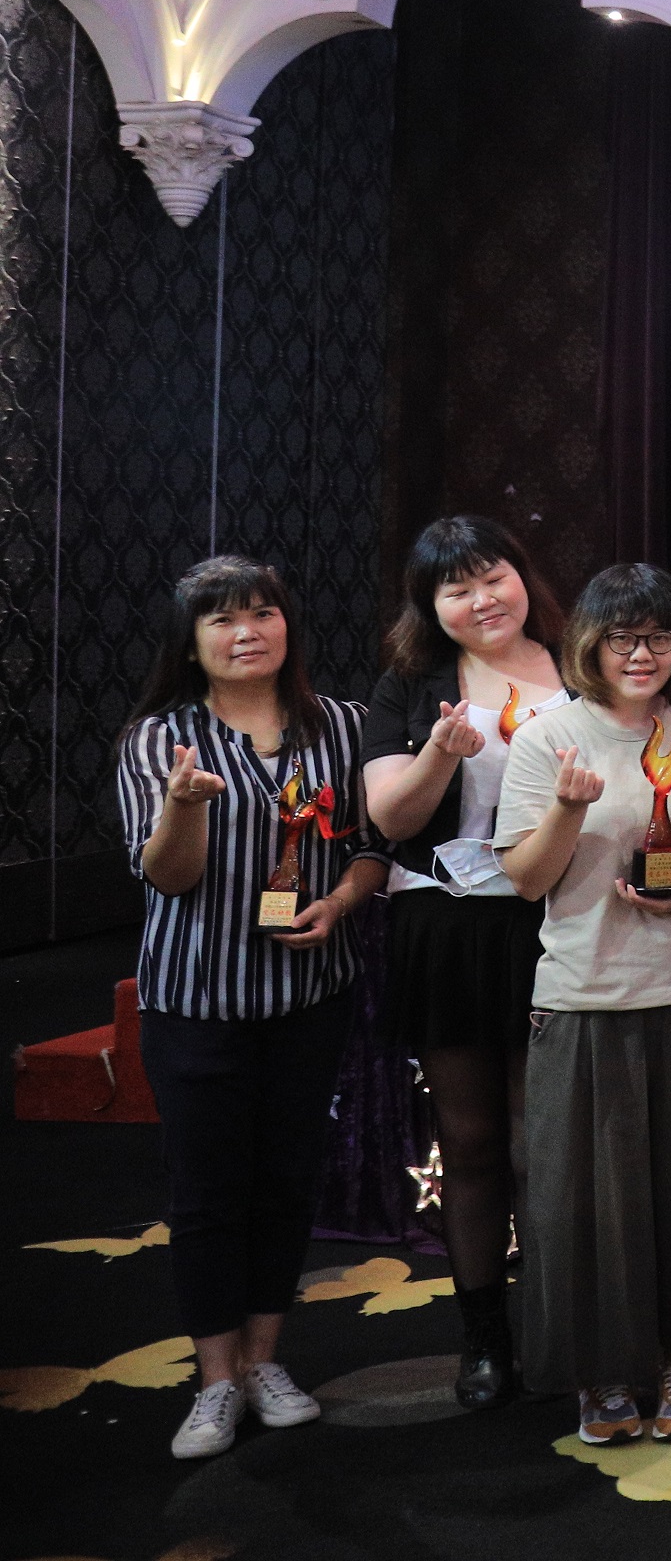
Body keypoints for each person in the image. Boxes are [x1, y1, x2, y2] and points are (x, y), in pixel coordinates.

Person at [495, 565, 671, 1448]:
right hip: (587, 998)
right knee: (590, 1203)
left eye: (658, 637)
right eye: (622, 638)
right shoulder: (549, 737)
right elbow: (526, 880)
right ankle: (604, 1371)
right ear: (591, 644)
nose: (641, 654)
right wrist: (566, 812)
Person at [119, 557, 382, 1462]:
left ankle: (266, 1360)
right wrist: (183, 808)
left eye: (263, 613)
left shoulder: (341, 726)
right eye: (223, 620)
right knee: (206, 1193)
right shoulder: (162, 741)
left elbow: (374, 849)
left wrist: (339, 902)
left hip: (310, 995)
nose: (247, 633)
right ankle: (215, 1380)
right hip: (197, 999)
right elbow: (168, 877)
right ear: (191, 644)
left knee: (286, 1180)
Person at [361, 516, 570, 1411]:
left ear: (523, 577)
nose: (482, 601)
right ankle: (484, 1336)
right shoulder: (411, 685)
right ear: (430, 606)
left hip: (558, 925)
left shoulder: (580, 665)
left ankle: (565, 1327)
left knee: (543, 1142)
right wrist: (439, 754)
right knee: (475, 1143)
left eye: (494, 578)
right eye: (457, 589)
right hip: (447, 929)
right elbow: (391, 820)